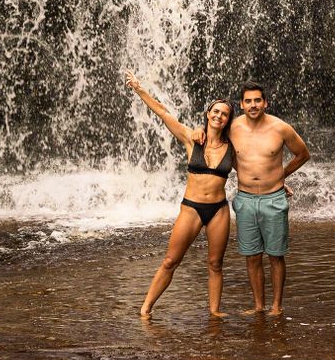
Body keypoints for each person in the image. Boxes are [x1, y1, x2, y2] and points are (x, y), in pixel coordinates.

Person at [195, 80, 310, 316]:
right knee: (252, 256)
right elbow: (211, 136)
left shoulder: (281, 128)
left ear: (265, 102)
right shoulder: (233, 128)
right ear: (242, 104)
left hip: (273, 198)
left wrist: (280, 176)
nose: (253, 105)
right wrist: (199, 130)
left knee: (276, 256)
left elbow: (303, 154)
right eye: (248, 101)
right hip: (245, 199)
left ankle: (276, 306)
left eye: (258, 100)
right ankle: (258, 306)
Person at [125, 70, 235, 318]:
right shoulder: (191, 138)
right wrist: (139, 88)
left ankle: (214, 312)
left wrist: (276, 183)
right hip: (192, 207)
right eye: (215, 111)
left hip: (219, 210)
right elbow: (163, 112)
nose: (219, 116)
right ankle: (145, 308)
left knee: (216, 264)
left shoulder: (232, 148)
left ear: (228, 120)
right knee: (170, 261)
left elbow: (251, 170)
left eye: (224, 114)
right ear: (208, 114)